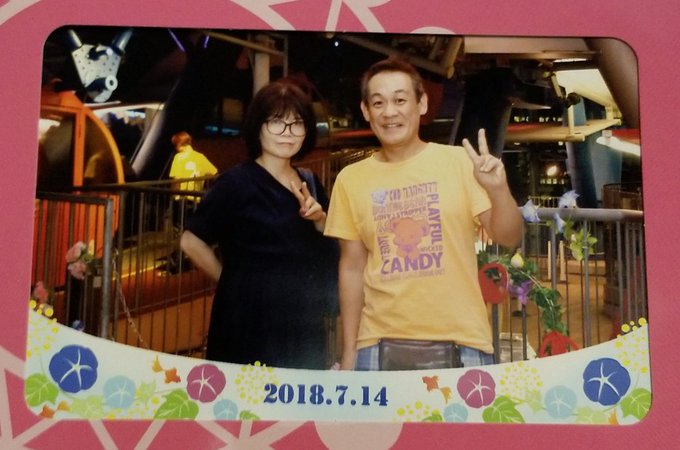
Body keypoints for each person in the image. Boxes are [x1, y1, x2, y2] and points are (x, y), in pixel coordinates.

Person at [324, 57, 523, 371]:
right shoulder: (351, 179)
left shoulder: (459, 162)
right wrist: (349, 352)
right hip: (377, 344)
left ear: (422, 103)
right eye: (378, 102)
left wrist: (499, 190)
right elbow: (351, 267)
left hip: (462, 342)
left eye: (400, 100)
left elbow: (509, 236)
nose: (389, 112)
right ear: (366, 111)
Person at [180, 81, 338, 369]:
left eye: (297, 123)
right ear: (257, 127)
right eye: (277, 122)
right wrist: (231, 283)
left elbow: (332, 246)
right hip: (249, 322)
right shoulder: (236, 183)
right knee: (248, 395)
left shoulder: (310, 182)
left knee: (299, 394)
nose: (288, 132)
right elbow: (191, 241)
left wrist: (320, 220)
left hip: (303, 320)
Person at [169, 131, 218, 199]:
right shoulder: (201, 157)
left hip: (182, 198)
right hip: (196, 198)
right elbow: (215, 174)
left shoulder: (179, 157)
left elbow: (176, 179)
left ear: (179, 144)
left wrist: (173, 195)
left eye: (175, 145)